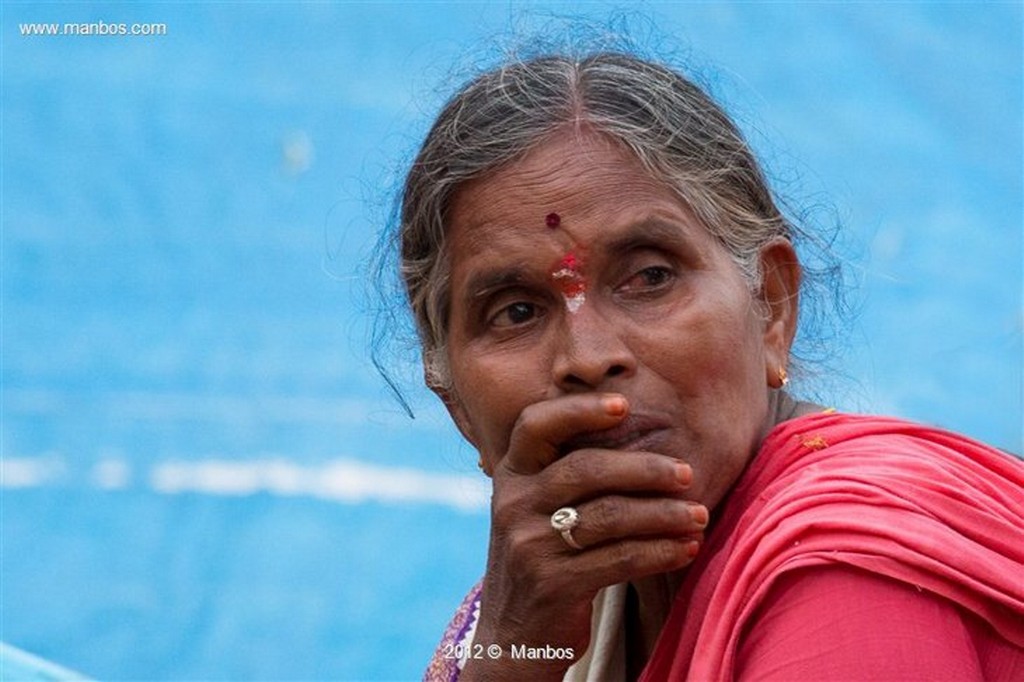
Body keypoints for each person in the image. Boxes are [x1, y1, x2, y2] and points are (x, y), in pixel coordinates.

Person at [390, 49, 1024, 680]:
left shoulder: (841, 575)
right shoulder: (547, 599)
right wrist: (514, 643)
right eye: (517, 312)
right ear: (458, 407)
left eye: (650, 277)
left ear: (769, 305)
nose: (588, 360)